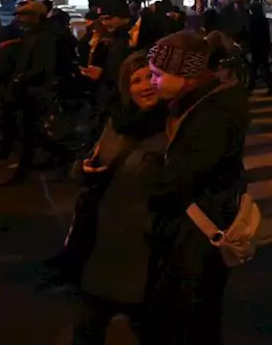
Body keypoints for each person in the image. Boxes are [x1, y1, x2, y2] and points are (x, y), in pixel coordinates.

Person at [146, 31, 251, 342]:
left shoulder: (213, 113)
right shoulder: (197, 101)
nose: (152, 82)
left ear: (186, 76)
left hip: (199, 231)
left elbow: (184, 173)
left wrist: (149, 170)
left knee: (192, 317)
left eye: (158, 75)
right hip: (194, 225)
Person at [70, 52, 168, 344]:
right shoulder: (117, 120)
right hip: (104, 240)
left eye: (151, 76)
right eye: (135, 80)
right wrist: (84, 169)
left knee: (150, 325)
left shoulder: (176, 125)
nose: (145, 85)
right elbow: (92, 161)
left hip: (148, 247)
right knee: (87, 325)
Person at [0, 0, 69, 185]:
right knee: (31, 133)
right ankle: (59, 157)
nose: (20, 19)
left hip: (36, 91)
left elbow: (42, 67)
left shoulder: (45, 37)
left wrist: (19, 80)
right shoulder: (33, 34)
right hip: (28, 90)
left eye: (24, 15)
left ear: (35, 17)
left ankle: (28, 170)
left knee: (31, 133)